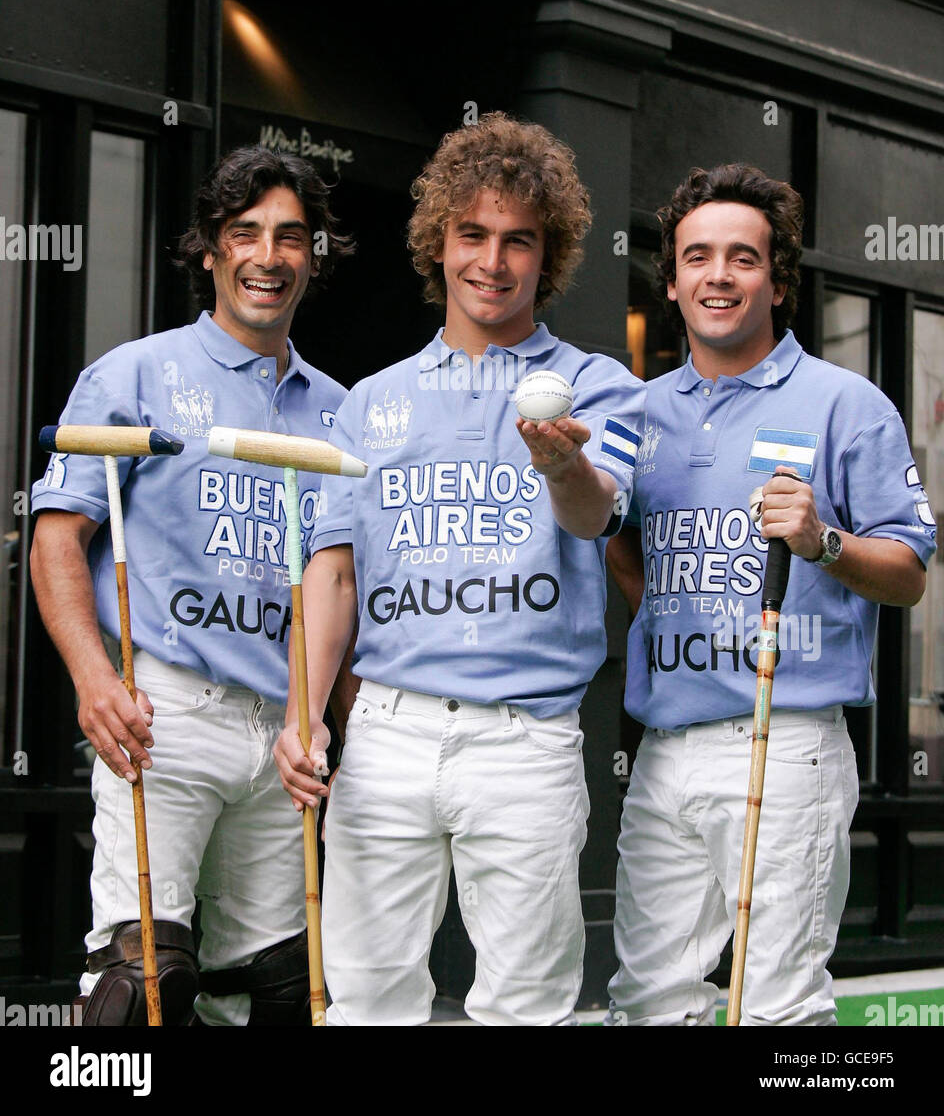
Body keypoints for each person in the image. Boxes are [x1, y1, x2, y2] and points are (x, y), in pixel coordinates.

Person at [275, 111, 646, 1025]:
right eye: (473, 235)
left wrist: (561, 462)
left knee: (525, 1007)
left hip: (527, 740)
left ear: (547, 256)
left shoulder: (600, 384)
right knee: (364, 1001)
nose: (493, 261)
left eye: (519, 241)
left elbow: (598, 512)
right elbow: (333, 577)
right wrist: (305, 718)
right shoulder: (371, 402)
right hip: (389, 734)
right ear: (438, 242)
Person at [606, 162, 936, 1026]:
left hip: (784, 739)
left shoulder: (846, 404)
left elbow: (908, 572)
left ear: (778, 279)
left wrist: (822, 540)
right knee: (646, 1002)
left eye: (743, 258)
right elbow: (626, 552)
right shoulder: (639, 412)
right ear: (671, 281)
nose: (719, 275)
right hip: (666, 743)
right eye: (698, 257)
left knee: (777, 1007)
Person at [30, 145, 352, 1025]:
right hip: (161, 712)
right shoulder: (134, 374)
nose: (269, 256)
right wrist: (95, 679)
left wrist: (316, 714)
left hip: (284, 728)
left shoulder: (338, 409)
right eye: (245, 234)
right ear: (209, 250)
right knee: (139, 986)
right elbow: (57, 540)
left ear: (314, 257)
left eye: (292, 237)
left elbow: (339, 581)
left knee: (276, 993)